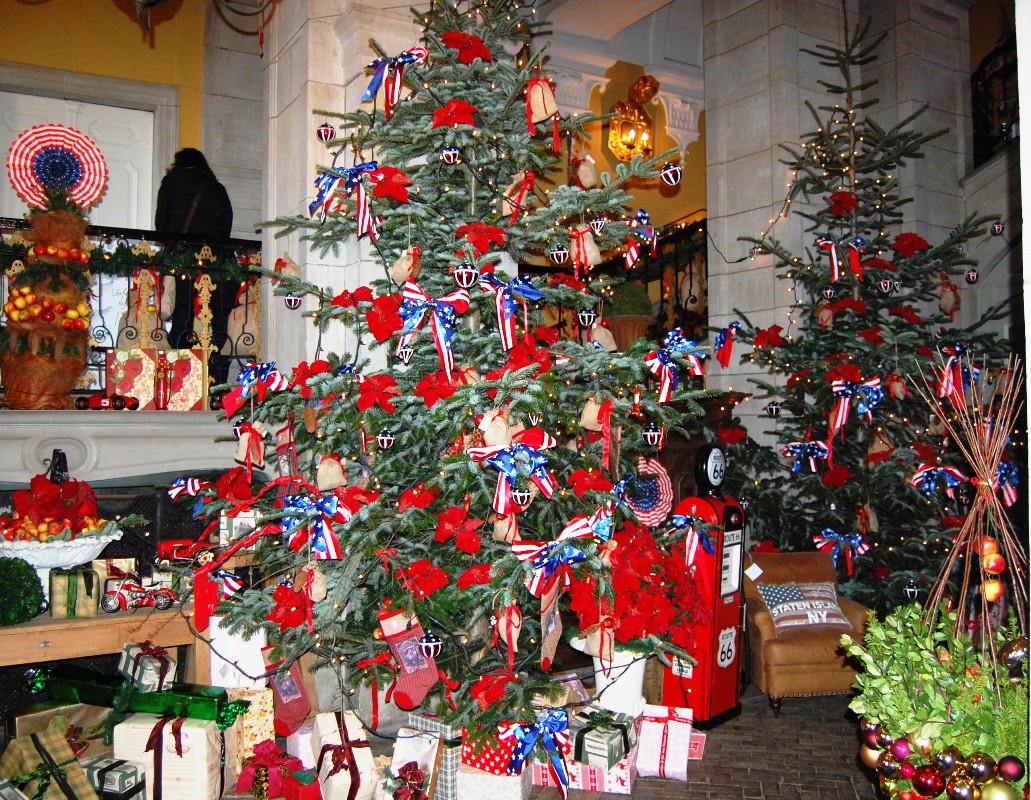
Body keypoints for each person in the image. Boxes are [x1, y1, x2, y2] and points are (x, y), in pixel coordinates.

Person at [155, 148, 234, 367]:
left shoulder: (171, 183)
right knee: (217, 325)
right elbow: (226, 227)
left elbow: (161, 225)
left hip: (183, 263)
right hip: (215, 265)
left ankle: (180, 378)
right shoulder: (216, 188)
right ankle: (217, 384)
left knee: (183, 318)